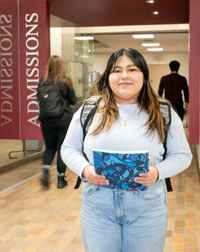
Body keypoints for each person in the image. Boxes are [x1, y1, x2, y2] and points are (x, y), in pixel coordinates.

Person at [61, 48, 192, 252]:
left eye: (132, 69)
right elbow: (68, 149)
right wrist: (86, 170)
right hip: (98, 207)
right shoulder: (90, 109)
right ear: (108, 77)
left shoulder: (162, 110)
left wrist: (157, 172)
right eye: (116, 70)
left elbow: (183, 155)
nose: (124, 76)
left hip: (147, 207)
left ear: (144, 75)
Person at [38, 55, 76, 189]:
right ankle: (61, 180)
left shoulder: (42, 81)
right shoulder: (65, 81)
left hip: (46, 119)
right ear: (62, 66)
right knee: (61, 149)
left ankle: (45, 174)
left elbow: (38, 98)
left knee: (49, 148)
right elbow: (72, 100)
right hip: (63, 119)